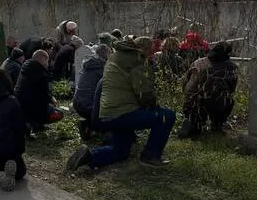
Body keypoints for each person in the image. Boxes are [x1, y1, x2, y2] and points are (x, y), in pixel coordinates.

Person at [66, 38, 175, 171]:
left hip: (107, 114)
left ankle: (89, 157)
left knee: (121, 150)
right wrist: (155, 105)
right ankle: (150, 156)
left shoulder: (117, 57)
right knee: (166, 115)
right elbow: (144, 95)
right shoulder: (136, 62)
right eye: (151, 52)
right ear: (144, 50)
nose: (152, 56)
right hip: (122, 113)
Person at [177, 42, 239, 139]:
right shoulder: (231, 67)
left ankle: (194, 122)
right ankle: (216, 124)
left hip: (195, 101)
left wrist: (187, 97)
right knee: (228, 99)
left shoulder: (199, 62)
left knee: (195, 121)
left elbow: (187, 84)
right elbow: (232, 88)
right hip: (220, 103)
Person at [14, 49, 63, 130]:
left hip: (19, 105)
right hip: (32, 109)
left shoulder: (25, 67)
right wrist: (51, 99)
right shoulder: (41, 74)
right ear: (43, 60)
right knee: (60, 114)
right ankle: (36, 123)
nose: (48, 64)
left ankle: (31, 122)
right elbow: (44, 96)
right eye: (48, 61)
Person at [73, 44, 109, 140]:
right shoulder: (102, 69)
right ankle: (102, 130)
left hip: (77, 103)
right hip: (89, 106)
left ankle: (87, 125)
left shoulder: (89, 65)